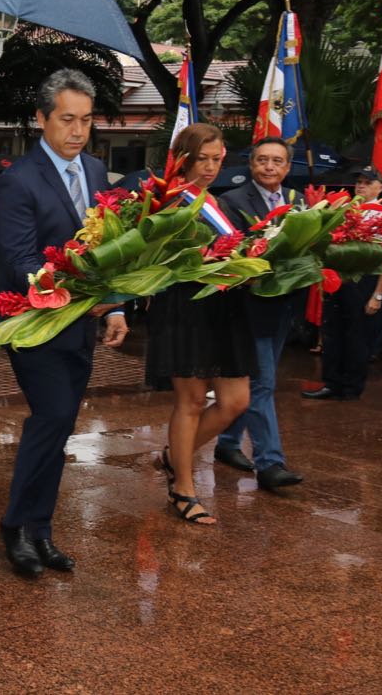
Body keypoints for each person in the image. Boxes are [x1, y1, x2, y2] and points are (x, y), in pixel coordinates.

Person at [0, 69, 126, 576]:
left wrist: (112, 305)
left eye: (86, 121)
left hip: (83, 320)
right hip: (36, 322)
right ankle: (17, 526)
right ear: (41, 119)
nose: (77, 131)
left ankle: (40, 529)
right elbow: (22, 258)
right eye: (67, 119)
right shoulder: (17, 179)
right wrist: (77, 296)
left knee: (63, 423)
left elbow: (107, 249)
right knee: (51, 416)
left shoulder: (94, 171)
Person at [147, 122, 255, 526]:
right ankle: (183, 489)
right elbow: (158, 258)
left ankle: (175, 455)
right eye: (202, 159)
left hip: (225, 309)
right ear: (184, 159)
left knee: (235, 402)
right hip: (185, 309)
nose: (210, 167)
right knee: (191, 402)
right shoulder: (168, 201)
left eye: (217, 159)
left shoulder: (221, 204)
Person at [213, 137, 304, 491]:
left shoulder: (298, 202)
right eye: (262, 160)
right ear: (251, 164)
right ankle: (270, 463)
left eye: (277, 161)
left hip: (283, 305)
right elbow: (231, 251)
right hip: (248, 305)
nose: (269, 166)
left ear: (287, 167)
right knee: (262, 384)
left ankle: (227, 443)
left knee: (256, 381)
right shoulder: (232, 201)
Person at [302, 166, 382, 401]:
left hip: (366, 281)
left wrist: (378, 295)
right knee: (333, 332)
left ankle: (351, 387)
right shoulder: (345, 210)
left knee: (357, 337)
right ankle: (331, 383)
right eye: (359, 182)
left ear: (380, 187)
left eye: (367, 182)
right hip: (340, 279)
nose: (360, 186)